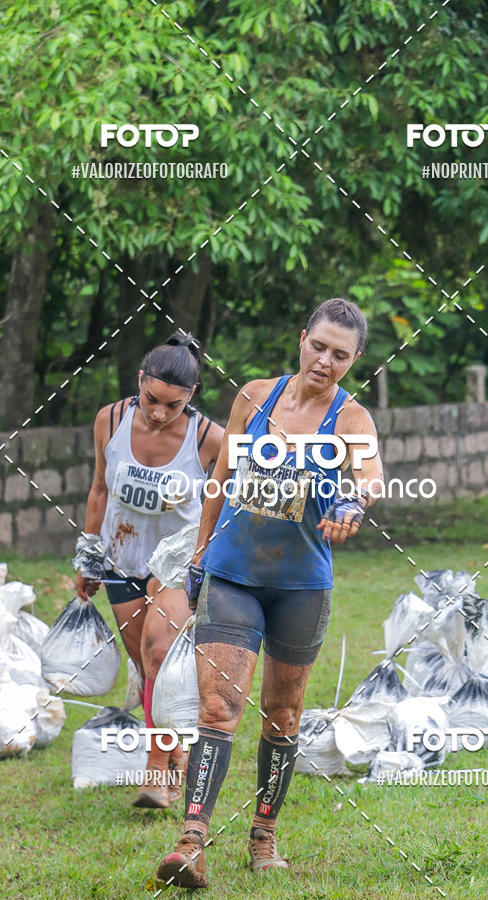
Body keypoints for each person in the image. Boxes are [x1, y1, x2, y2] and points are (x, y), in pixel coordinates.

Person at [157, 298, 383, 887]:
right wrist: (203, 549)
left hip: (301, 587)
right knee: (217, 708)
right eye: (319, 346)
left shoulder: (351, 418)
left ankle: (264, 836)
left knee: (282, 714)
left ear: (354, 361)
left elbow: (370, 476)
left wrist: (353, 504)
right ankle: (191, 841)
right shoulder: (254, 396)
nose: (325, 361)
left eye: (340, 354)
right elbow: (222, 477)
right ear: (301, 337)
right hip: (233, 574)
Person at [74, 332, 223, 807]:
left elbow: (226, 505)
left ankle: (157, 772)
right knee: (146, 667)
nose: (158, 413)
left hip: (176, 565)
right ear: (139, 380)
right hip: (122, 559)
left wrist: (208, 559)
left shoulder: (209, 438)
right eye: (151, 399)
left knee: (160, 654)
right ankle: (175, 747)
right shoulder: (111, 419)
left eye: (172, 405)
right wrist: (88, 554)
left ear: (192, 397)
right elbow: (100, 489)